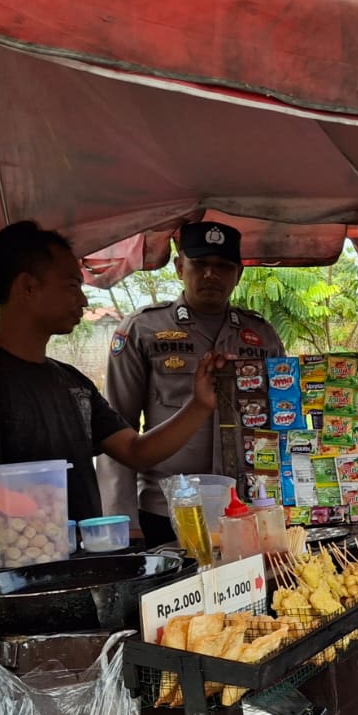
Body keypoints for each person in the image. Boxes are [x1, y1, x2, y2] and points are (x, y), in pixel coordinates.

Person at [0, 220, 220, 525]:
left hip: (87, 558)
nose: (82, 300)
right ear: (28, 287)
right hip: (19, 565)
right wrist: (42, 521)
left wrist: (199, 405)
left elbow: (137, 452)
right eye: (72, 285)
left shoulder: (72, 384)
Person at [100, 220, 283, 544]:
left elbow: (278, 420)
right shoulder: (143, 330)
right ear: (179, 267)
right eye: (200, 264)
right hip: (165, 512)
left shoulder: (261, 336)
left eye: (223, 266)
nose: (211, 274)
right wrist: (124, 522)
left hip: (245, 509)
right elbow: (116, 429)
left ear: (238, 274)